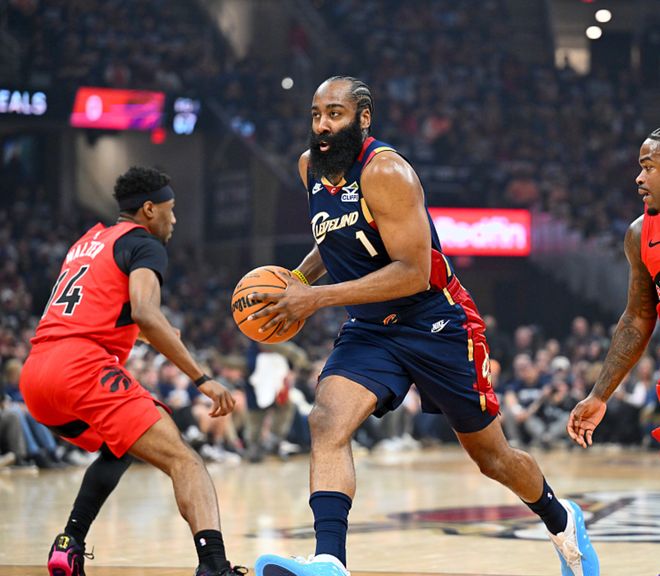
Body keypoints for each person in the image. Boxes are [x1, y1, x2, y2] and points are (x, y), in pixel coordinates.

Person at [249, 76, 599, 576]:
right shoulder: (311, 168)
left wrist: (316, 298)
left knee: (491, 457)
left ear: (363, 119)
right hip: (371, 327)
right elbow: (333, 240)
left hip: (435, 319)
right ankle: (329, 560)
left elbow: (413, 272)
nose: (322, 125)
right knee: (326, 420)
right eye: (316, 115)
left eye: (335, 114)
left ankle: (561, 517)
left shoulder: (386, 171)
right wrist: (299, 279)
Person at [19, 167, 246, 576]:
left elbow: (95, 307)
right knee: (185, 461)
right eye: (171, 209)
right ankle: (214, 566)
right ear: (149, 209)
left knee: (119, 447)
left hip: (37, 374)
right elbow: (145, 311)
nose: (174, 219)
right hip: (81, 368)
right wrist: (203, 378)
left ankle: (69, 543)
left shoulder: (87, 242)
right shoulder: (144, 243)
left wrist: (148, 332)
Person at [568, 128, 660, 449]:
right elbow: (638, 317)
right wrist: (599, 395)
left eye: (649, 167)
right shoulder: (640, 233)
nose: (639, 178)